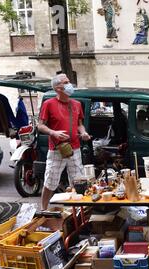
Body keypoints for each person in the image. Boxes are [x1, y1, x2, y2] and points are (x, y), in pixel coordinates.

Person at [38, 74, 91, 210]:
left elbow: (79, 124)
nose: (70, 85)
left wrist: (83, 132)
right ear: (57, 88)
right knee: (50, 181)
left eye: (69, 82)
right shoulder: (48, 104)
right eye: (66, 82)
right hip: (57, 149)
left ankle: (80, 211)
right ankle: (43, 209)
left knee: (78, 182)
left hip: (75, 148)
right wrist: (53, 133)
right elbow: (41, 125)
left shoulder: (77, 104)